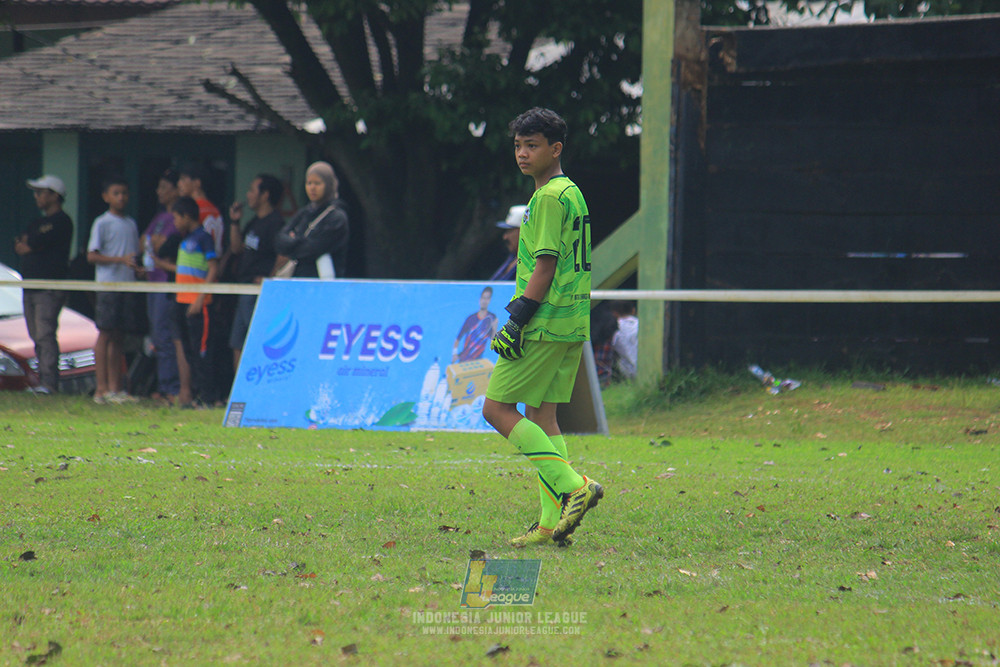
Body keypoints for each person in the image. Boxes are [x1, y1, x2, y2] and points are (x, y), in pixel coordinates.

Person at [482, 107, 603, 547]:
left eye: (532, 145)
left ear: (556, 149)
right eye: (518, 145)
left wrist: (517, 319)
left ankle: (575, 487)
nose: (522, 153)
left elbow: (545, 267)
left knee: (495, 409)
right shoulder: (571, 192)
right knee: (542, 415)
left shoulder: (548, 197)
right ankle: (551, 522)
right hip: (571, 321)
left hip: (545, 322)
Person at [14, 175, 74, 394]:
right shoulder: (36, 222)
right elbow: (22, 241)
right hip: (30, 286)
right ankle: (41, 381)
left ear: (54, 195)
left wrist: (33, 244)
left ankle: (49, 383)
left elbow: (36, 241)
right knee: (35, 335)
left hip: (49, 288)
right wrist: (31, 244)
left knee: (45, 334)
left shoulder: (62, 221)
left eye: (41, 192)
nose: (37, 197)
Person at [86, 176, 141, 404]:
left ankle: (115, 388)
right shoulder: (102, 223)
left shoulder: (131, 224)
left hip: (127, 285)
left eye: (124, 193)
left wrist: (138, 269)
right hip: (108, 285)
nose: (121, 197)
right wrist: (119, 260)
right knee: (105, 333)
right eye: (116, 193)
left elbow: (133, 256)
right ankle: (100, 389)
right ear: (106, 197)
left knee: (119, 335)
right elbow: (92, 256)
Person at [228, 174, 286, 369]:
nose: (248, 195)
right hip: (243, 287)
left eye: (252, 190)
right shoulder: (253, 222)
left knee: (256, 339)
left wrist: (269, 278)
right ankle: (238, 386)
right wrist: (235, 222)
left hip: (256, 291)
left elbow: (283, 255)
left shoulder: (276, 223)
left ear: (265, 195)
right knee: (237, 342)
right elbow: (236, 248)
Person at [168, 196, 219, 408]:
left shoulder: (203, 238)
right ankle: (197, 396)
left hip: (198, 304)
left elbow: (213, 268)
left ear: (187, 216)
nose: (174, 222)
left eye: (176, 218)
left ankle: (208, 397)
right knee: (189, 352)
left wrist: (200, 298)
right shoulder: (185, 239)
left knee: (201, 352)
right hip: (182, 300)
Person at [141, 169, 181, 402]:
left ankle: (171, 387)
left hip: (166, 283)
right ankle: (163, 384)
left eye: (164, 187)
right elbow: (144, 243)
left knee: (165, 335)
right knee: (156, 336)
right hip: (151, 281)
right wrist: (152, 243)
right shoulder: (159, 217)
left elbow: (161, 247)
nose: (159, 191)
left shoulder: (177, 217)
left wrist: (154, 244)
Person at [274, 161, 349, 279]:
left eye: (317, 183)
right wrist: (298, 242)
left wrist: (294, 242)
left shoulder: (336, 218)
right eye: (309, 183)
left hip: (323, 282)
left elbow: (313, 249)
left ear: (328, 185)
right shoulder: (304, 213)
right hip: (298, 280)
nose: (312, 188)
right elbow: (279, 241)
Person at [451, 286, 498, 363]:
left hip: (478, 361)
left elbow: (492, 344)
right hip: (464, 359)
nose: (484, 301)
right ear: (480, 299)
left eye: (487, 298)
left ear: (490, 300)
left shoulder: (492, 318)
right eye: (483, 298)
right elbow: (458, 339)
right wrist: (454, 354)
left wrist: (494, 329)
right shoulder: (470, 319)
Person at [489, 205, 526, 281]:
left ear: (524, 231)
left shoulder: (532, 263)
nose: (505, 237)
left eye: (510, 231)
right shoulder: (512, 258)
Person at [609, 300, 638, 381]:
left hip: (628, 372)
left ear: (614, 313)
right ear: (633, 310)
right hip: (647, 369)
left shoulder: (614, 328)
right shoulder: (641, 324)